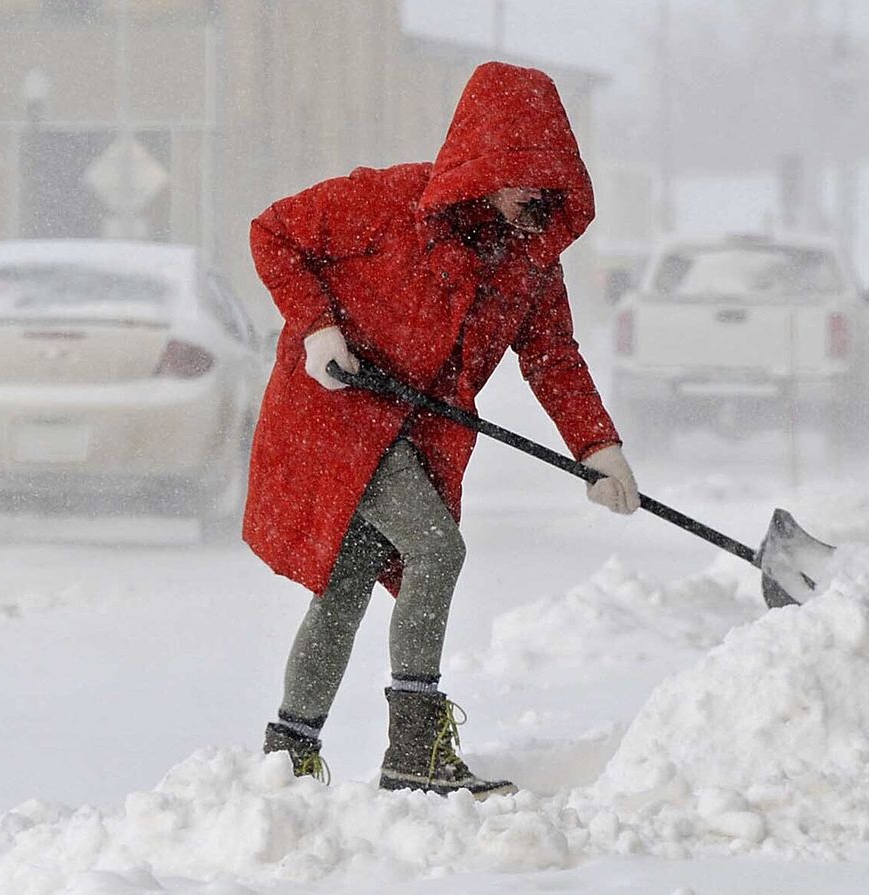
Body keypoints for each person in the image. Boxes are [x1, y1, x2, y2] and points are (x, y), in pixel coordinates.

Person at [243, 62, 639, 797]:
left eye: (551, 183)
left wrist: (598, 447)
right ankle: (415, 751)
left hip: (407, 431)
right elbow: (274, 233)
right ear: (485, 165)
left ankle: (287, 757)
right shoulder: (390, 203)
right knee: (436, 547)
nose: (537, 198)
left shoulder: (530, 260)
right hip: (338, 410)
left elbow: (552, 356)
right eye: (524, 178)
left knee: (349, 580)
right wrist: (319, 328)